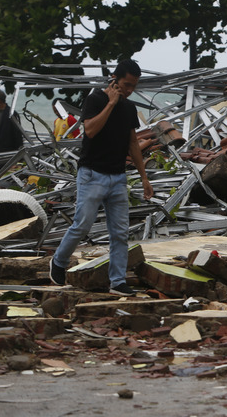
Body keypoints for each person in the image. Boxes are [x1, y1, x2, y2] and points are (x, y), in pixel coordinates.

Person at [49, 59, 154, 296]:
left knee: (119, 233)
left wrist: (144, 177)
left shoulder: (128, 109)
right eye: (126, 85)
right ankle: (59, 261)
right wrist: (111, 103)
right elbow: (91, 130)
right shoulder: (95, 99)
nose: (129, 90)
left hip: (117, 178)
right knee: (82, 224)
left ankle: (117, 282)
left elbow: (133, 144)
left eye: (133, 87)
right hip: (92, 174)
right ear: (115, 80)